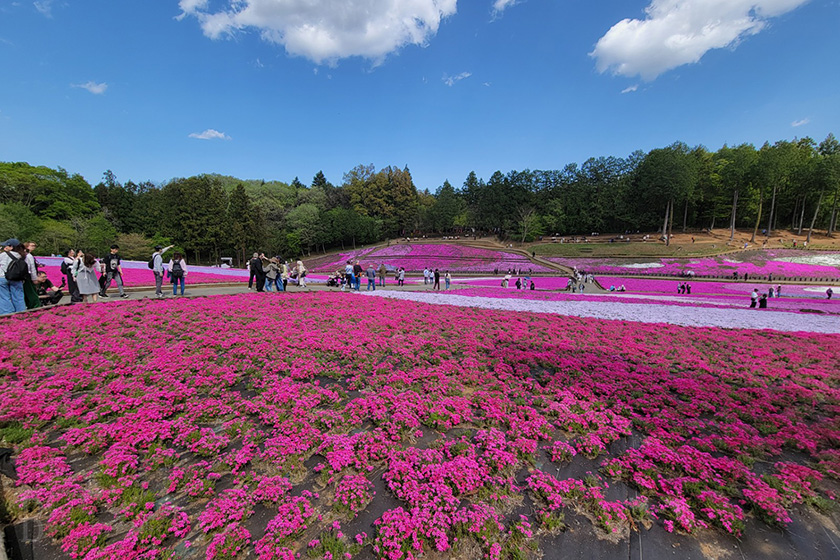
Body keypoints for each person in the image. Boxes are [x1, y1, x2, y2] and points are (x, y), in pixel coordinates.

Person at [0, 239, 28, 314]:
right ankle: (21, 313)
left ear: (11, 247)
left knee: (4, 297)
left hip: (2, 277)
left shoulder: (3, 255)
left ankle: (7, 313)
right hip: (17, 278)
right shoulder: (23, 255)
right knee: (18, 297)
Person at [22, 241, 41, 309]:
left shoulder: (24, 255)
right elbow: (32, 268)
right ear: (27, 246)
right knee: (31, 292)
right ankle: (35, 306)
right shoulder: (28, 256)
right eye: (32, 245)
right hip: (28, 276)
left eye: (34, 246)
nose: (34, 247)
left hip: (24, 276)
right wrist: (34, 278)